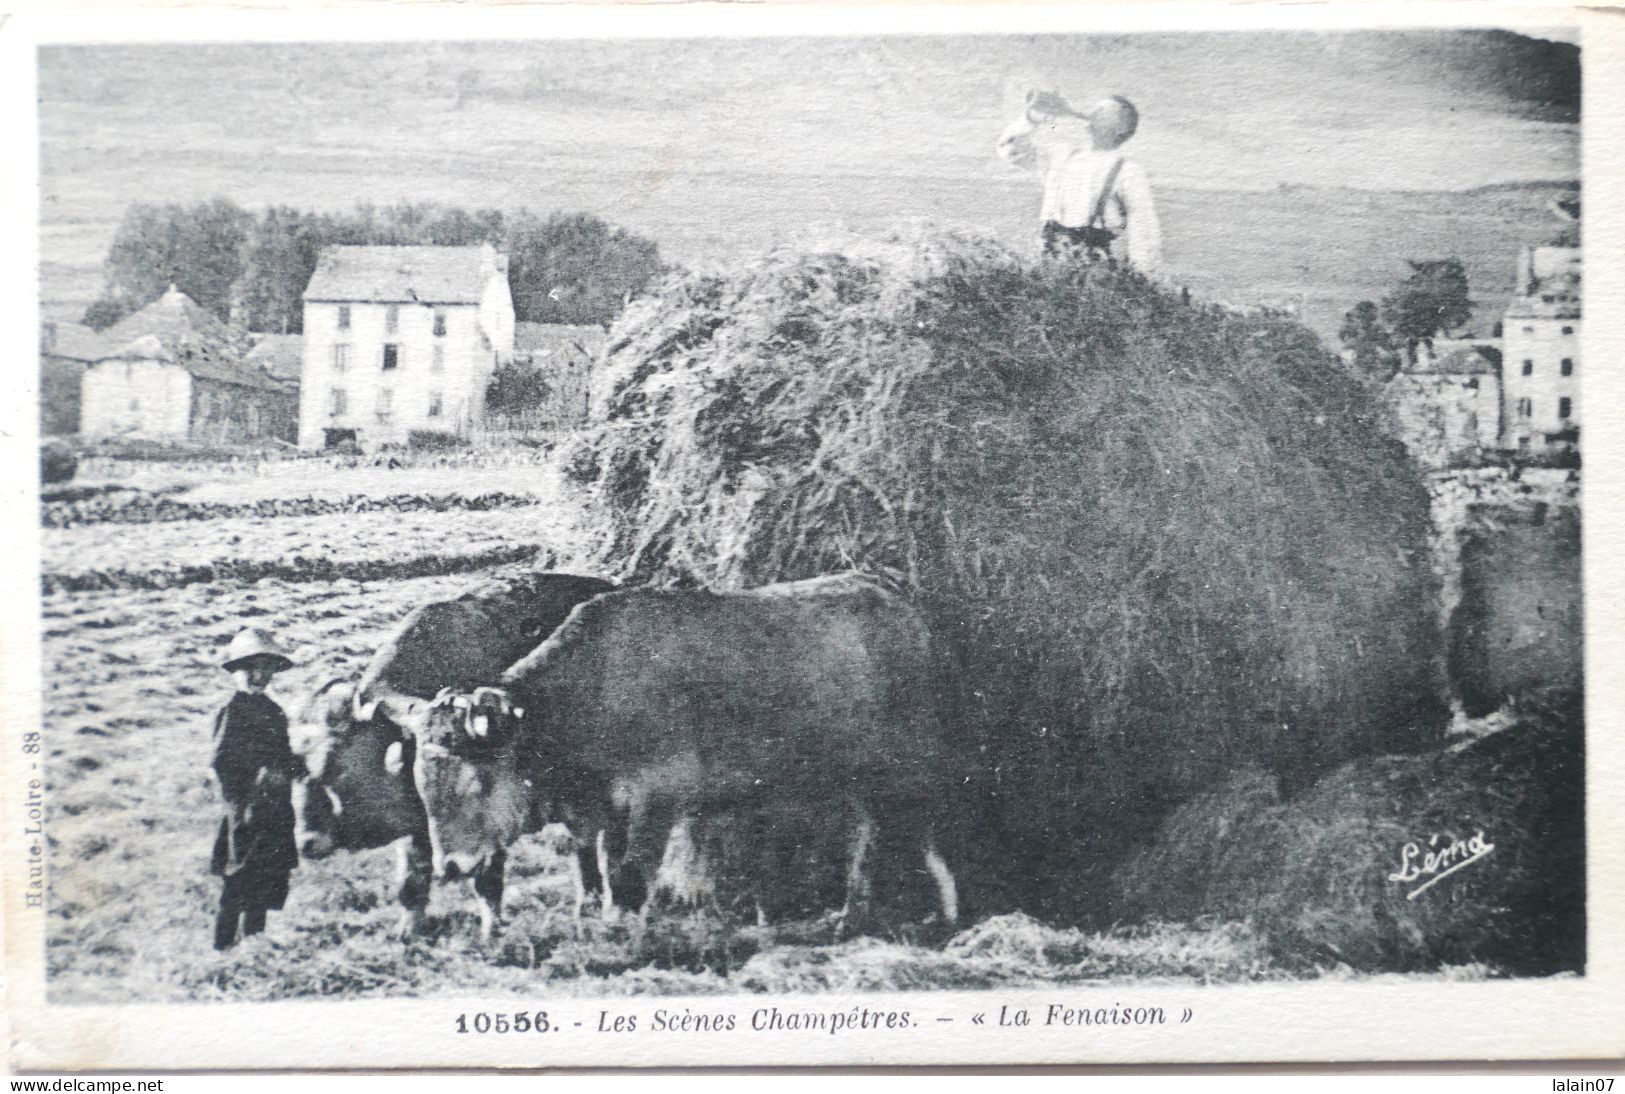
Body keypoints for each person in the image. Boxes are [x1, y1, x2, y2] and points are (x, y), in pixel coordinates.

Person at [996, 90, 1163, 272]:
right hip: (1047, 263)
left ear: (1121, 129)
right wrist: (1033, 118)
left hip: (1093, 270)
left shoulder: (1128, 170)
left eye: (1102, 112)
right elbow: (1010, 149)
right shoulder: (1062, 156)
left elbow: (1144, 228)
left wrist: (1141, 276)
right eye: (1095, 110)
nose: (1093, 114)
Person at [209, 627, 300, 951]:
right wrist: (249, 790)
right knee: (237, 884)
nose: (259, 676)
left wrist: (297, 766)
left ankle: (253, 944)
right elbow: (221, 762)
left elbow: (285, 758)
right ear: (235, 672)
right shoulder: (232, 712)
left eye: (266, 670)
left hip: (275, 812)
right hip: (245, 813)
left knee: (265, 881)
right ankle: (222, 948)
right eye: (251, 669)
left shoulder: (274, 712)